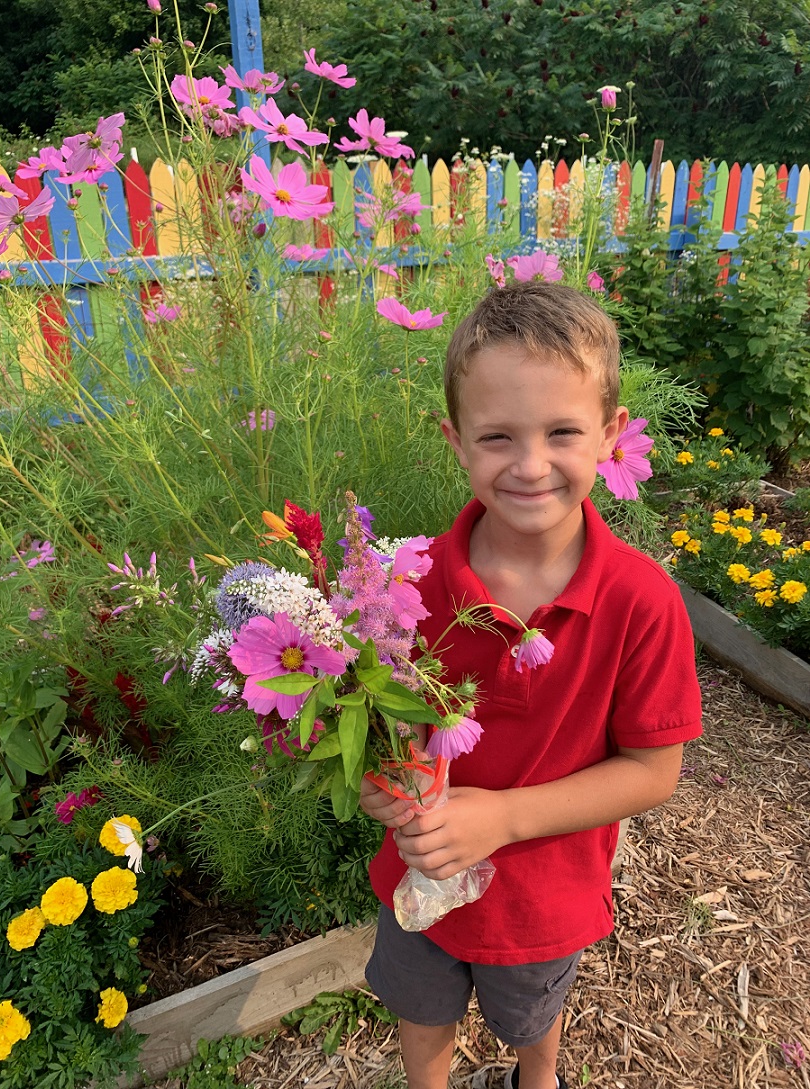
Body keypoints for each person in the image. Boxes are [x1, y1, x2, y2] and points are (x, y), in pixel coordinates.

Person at [359, 281, 703, 1089]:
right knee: (420, 1005)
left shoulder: (640, 598)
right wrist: (386, 783)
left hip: (548, 891)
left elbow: (655, 770)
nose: (530, 464)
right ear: (455, 440)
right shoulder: (403, 585)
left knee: (532, 1016)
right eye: (497, 436)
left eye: (561, 432)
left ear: (611, 435)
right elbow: (385, 722)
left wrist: (507, 816)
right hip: (421, 871)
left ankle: (537, 1079)